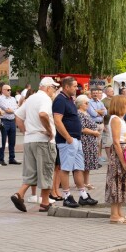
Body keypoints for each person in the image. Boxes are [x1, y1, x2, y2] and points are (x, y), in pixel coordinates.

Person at [10, 77, 59, 213]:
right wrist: (49, 131)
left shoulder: (31, 98)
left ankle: (19, 194)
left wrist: (25, 131)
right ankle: (44, 203)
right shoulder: (45, 99)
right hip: (43, 140)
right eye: (54, 88)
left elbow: (18, 116)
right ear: (48, 87)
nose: (54, 91)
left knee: (31, 171)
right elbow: (43, 114)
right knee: (46, 170)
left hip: (29, 139)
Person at [52, 76, 98, 208]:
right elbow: (57, 120)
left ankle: (83, 195)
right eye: (74, 86)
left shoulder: (70, 99)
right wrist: (68, 137)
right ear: (66, 87)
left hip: (76, 140)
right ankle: (67, 196)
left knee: (78, 167)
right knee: (66, 168)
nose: (76, 88)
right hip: (67, 141)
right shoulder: (60, 100)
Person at [105, 95, 126, 224]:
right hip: (119, 154)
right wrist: (123, 161)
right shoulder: (115, 119)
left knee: (123, 182)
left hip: (125, 152)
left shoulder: (121, 119)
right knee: (116, 182)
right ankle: (114, 214)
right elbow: (116, 142)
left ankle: (120, 212)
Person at [76, 95, 102, 189]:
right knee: (84, 162)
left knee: (88, 163)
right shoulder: (79, 114)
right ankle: (81, 183)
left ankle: (86, 182)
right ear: (80, 104)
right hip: (85, 140)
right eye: (86, 103)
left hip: (91, 141)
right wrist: (94, 132)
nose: (88, 104)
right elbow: (82, 129)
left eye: (88, 103)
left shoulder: (86, 113)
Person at [0, 84, 21, 166]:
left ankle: (12, 158)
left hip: (12, 120)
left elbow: (16, 108)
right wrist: (14, 110)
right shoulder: (0, 98)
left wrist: (13, 110)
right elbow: (7, 110)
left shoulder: (13, 98)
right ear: (3, 90)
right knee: (3, 140)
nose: (9, 91)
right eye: (7, 90)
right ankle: (1, 159)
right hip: (4, 120)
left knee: (12, 141)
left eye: (10, 89)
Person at [87, 88, 107, 162]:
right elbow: (93, 114)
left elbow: (105, 112)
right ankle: (93, 157)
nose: (95, 94)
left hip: (101, 124)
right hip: (94, 124)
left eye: (96, 93)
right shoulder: (89, 103)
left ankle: (98, 156)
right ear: (91, 94)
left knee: (99, 142)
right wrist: (100, 112)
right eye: (94, 93)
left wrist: (97, 111)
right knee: (93, 141)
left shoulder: (100, 102)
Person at [102, 86, 114, 159]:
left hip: (114, 123)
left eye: (113, 91)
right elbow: (102, 115)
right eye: (111, 91)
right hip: (107, 123)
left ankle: (113, 157)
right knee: (108, 141)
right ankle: (109, 158)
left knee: (113, 140)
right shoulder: (103, 101)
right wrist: (103, 125)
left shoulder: (115, 100)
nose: (113, 92)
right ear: (107, 92)